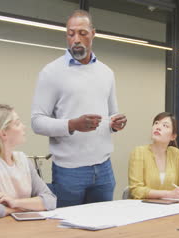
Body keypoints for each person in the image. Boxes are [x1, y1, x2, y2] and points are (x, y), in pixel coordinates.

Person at [31, 10, 127, 207]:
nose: (76, 39)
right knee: (68, 234)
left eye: (82, 33)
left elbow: (112, 114)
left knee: (102, 228)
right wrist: (72, 124)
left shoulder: (106, 73)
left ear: (93, 33)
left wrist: (116, 123)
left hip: (104, 169)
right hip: (69, 171)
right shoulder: (51, 72)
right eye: (70, 33)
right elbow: (37, 122)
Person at [128, 112, 179, 200]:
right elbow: (136, 190)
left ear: (173, 136)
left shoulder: (175, 153)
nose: (158, 127)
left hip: (170, 207)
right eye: (156, 123)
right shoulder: (139, 152)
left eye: (165, 126)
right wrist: (168, 194)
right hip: (144, 208)